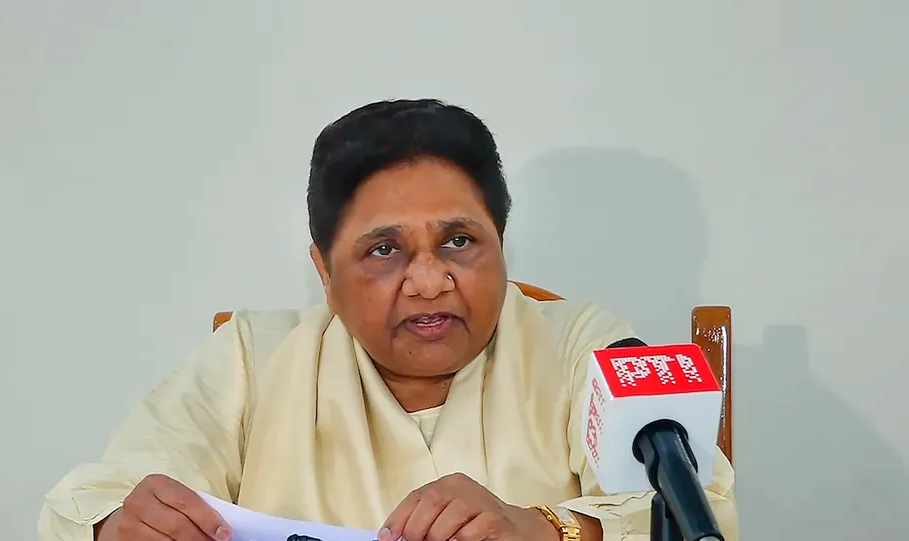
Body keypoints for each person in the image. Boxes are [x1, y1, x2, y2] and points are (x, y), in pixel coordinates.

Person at [39, 99, 738, 541]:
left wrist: (547, 528)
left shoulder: (584, 344)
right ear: (324, 270)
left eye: (460, 241)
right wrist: (113, 525)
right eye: (384, 250)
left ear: (501, 238)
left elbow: (703, 509)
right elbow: (95, 495)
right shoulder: (253, 357)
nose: (431, 280)